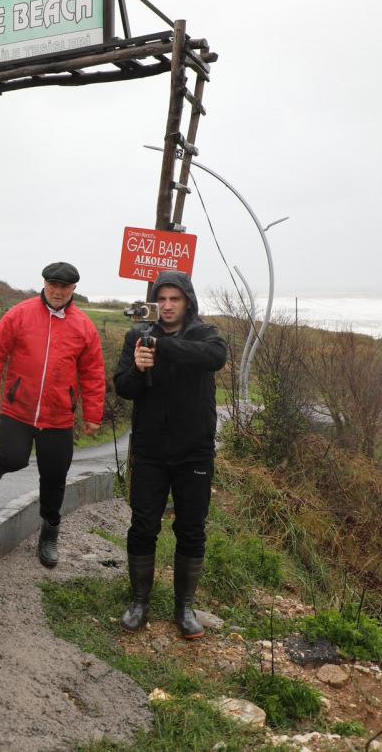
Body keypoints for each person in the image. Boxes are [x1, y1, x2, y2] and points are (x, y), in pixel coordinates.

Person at [113, 270, 227, 639]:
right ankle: (139, 603)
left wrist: (162, 348)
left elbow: (213, 358)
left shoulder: (204, 334)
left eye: (174, 299)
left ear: (187, 302)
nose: (166, 306)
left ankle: (185, 607)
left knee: (191, 529)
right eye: (161, 299)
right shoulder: (137, 337)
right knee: (143, 525)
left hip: (194, 452)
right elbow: (124, 388)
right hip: (149, 451)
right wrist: (138, 367)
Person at [0, 261, 106, 567]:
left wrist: (93, 414)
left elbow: (93, 373)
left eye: (64, 287)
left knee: (54, 477)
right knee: (13, 458)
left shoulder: (83, 326)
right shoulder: (20, 314)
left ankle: (50, 532)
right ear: (44, 284)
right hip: (18, 409)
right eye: (52, 285)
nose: (57, 292)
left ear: (73, 289)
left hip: (58, 417)